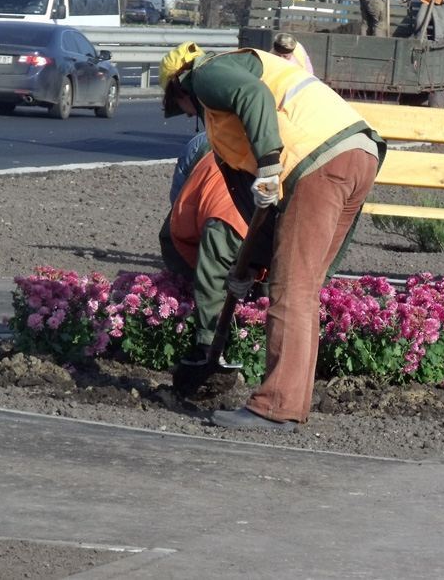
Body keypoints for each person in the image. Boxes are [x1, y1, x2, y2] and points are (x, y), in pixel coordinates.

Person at [159, 41, 386, 430]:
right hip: (359, 153)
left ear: (179, 86)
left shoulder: (207, 74)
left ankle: (275, 406)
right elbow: (265, 214)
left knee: (292, 290)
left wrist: (267, 163)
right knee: (303, 288)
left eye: (178, 106)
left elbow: (254, 95)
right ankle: (290, 402)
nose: (187, 114)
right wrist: (252, 264)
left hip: (316, 160)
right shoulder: (237, 101)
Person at [159, 136, 249, 367]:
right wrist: (207, 342)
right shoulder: (223, 224)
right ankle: (204, 348)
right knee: (202, 281)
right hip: (195, 223)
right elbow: (210, 274)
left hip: (228, 188)